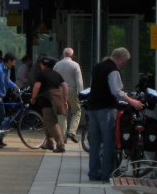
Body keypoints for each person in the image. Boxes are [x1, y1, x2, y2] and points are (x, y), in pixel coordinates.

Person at [86, 47, 144, 182]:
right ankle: (106, 174)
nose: (124, 65)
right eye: (124, 62)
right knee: (108, 142)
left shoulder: (97, 67)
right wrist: (132, 101)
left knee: (94, 143)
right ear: (120, 59)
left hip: (92, 107)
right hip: (106, 108)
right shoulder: (113, 70)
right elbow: (116, 91)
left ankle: (93, 173)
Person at [31, 56, 68, 153]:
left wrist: (33, 98)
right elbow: (65, 86)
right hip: (57, 100)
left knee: (51, 123)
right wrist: (64, 100)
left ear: (44, 64)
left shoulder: (42, 74)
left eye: (41, 64)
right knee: (47, 122)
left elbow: (37, 85)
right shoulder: (57, 74)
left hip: (47, 101)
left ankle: (60, 145)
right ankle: (49, 143)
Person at [53, 47, 83, 144]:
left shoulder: (57, 65)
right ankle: (72, 131)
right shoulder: (75, 65)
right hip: (72, 90)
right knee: (77, 111)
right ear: (72, 55)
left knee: (62, 113)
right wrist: (81, 93)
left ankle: (63, 136)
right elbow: (79, 81)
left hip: (60, 91)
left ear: (63, 54)